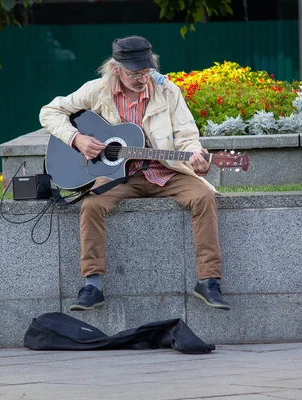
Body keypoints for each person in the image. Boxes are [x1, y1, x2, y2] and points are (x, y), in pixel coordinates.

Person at [39, 35, 230, 312]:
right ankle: (93, 286)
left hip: (165, 171)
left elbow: (187, 137)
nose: (142, 78)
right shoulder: (97, 90)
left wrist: (197, 157)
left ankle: (208, 281)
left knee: (203, 197)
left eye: (146, 71)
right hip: (118, 176)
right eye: (135, 73)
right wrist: (76, 139)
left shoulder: (168, 92)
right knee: (91, 205)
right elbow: (50, 112)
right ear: (116, 68)